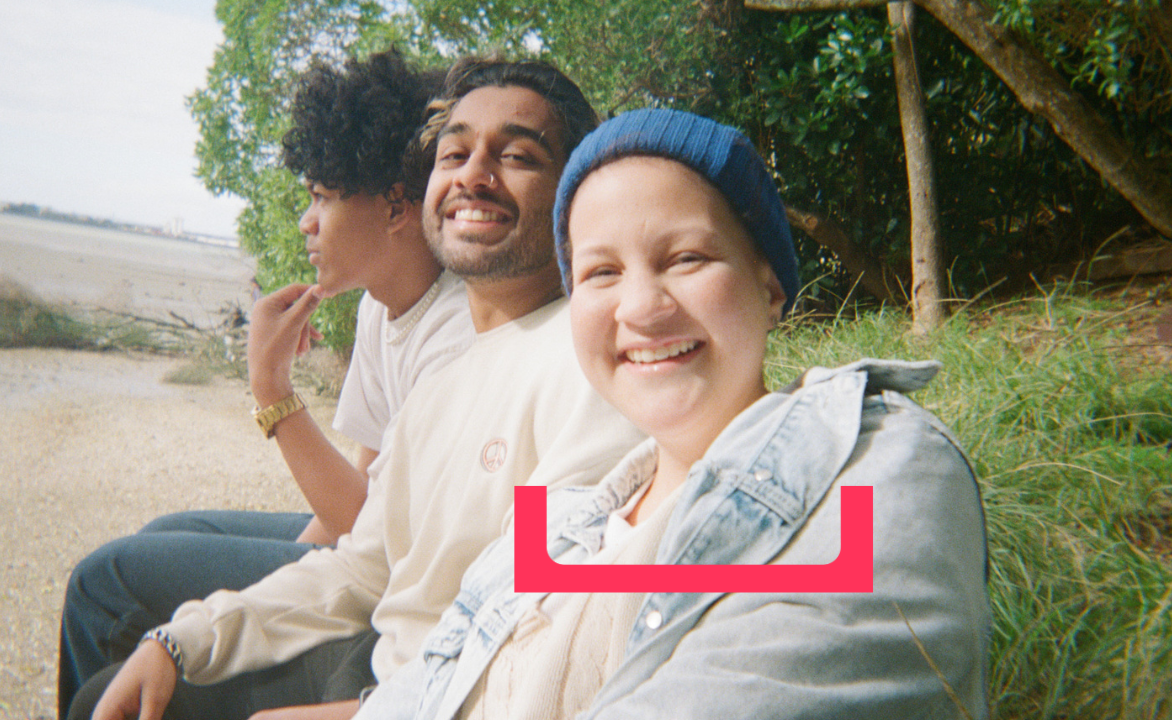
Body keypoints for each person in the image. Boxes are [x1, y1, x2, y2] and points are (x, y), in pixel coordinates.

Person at [356, 108, 991, 720]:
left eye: (686, 258)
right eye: (600, 272)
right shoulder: (551, 530)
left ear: (770, 288)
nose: (640, 306)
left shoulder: (881, 461)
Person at [70, 57, 645, 720]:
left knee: (104, 624)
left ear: (575, 197)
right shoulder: (446, 383)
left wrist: (361, 713)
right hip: (392, 668)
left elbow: (541, 639)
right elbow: (365, 562)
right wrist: (183, 641)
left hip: (415, 692)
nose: (474, 176)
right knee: (126, 672)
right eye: (454, 153)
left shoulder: (585, 368)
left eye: (516, 155)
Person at [57, 50, 475, 718]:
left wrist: (272, 392)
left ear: (397, 207)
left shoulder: (458, 331)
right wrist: (280, 574)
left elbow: (372, 532)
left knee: (103, 580)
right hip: (368, 541)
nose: (306, 223)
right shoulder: (381, 306)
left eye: (320, 197)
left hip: (399, 574)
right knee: (168, 530)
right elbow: (357, 495)